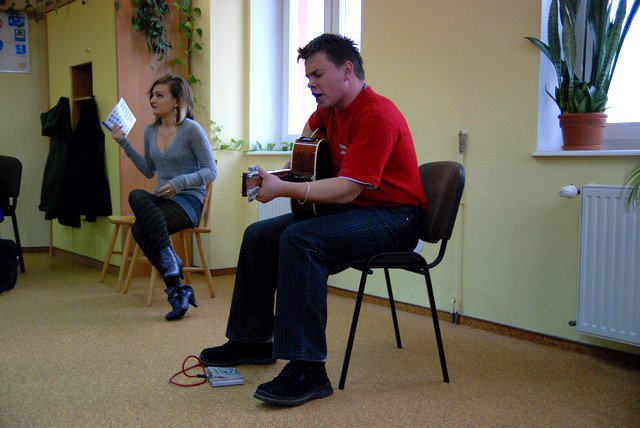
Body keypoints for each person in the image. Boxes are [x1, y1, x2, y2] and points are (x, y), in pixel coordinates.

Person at [199, 33, 426, 406]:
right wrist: (285, 171)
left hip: (396, 218)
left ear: (347, 70)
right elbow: (305, 154)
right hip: (358, 212)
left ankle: (309, 371)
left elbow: (348, 189)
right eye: (307, 77)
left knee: (301, 239)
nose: (310, 84)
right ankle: (253, 341)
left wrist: (284, 188)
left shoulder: (376, 115)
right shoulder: (328, 110)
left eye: (317, 74)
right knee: (259, 235)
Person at [111, 74, 217, 321]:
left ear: (177, 101)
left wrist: (180, 182)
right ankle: (177, 282)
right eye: (152, 95)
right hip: (163, 198)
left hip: (189, 201)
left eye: (159, 95)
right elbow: (149, 170)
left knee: (139, 229)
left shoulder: (191, 129)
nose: (152, 100)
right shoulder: (150, 131)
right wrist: (124, 143)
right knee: (136, 195)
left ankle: (175, 287)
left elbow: (211, 170)